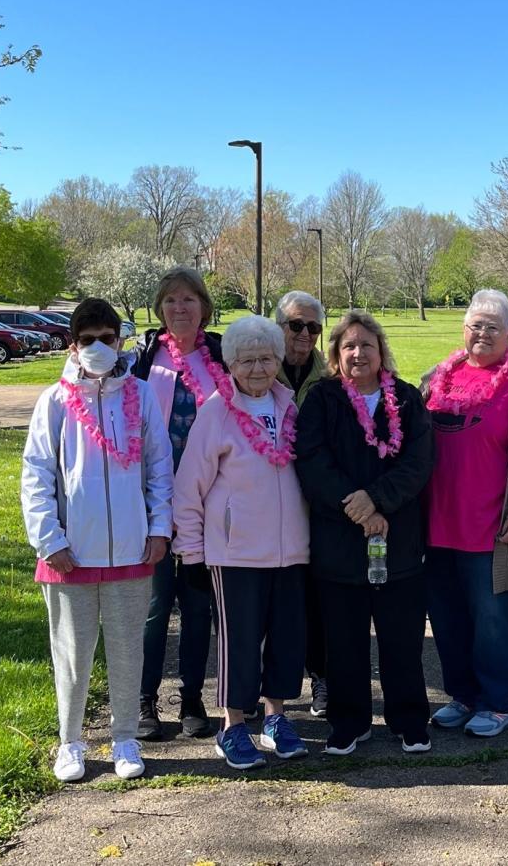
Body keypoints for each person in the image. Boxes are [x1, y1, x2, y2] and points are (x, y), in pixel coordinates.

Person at [21, 298, 174, 782]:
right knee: (71, 651)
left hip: (131, 549)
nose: (98, 347)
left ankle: (125, 737)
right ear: (73, 344)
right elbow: (37, 475)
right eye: (87, 340)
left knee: (129, 649)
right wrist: (50, 540)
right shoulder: (55, 401)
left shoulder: (142, 396)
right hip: (72, 554)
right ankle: (70, 742)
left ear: (120, 340)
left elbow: (159, 467)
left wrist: (158, 527)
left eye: (106, 338)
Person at [294, 310, 436, 755]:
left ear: (381, 353)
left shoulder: (408, 400)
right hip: (339, 543)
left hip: (398, 541)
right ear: (336, 354)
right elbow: (312, 462)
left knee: (402, 639)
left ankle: (409, 718)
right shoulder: (321, 399)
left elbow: (418, 463)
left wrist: (377, 501)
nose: (358, 353)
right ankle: (349, 721)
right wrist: (356, 508)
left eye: (367, 345)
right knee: (344, 641)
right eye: (349, 346)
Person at [172, 315, 310, 770]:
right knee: (240, 642)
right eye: (247, 360)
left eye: (267, 359)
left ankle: (276, 718)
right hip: (235, 552)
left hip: (291, 550)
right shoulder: (216, 411)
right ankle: (231, 726)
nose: (258, 369)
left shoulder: (288, 406)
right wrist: (191, 552)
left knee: (287, 640)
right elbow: (189, 487)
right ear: (231, 363)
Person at [422, 289, 508, 738]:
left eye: (492, 326)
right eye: (475, 325)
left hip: (493, 531)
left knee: (493, 621)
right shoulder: (436, 378)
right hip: (438, 526)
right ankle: (463, 696)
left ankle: (499, 703)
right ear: (464, 330)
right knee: (446, 619)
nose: (482, 333)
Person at [130, 267, 223, 741]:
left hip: (208, 500)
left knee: (199, 604)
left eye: (189, 300)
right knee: (153, 605)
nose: (179, 308)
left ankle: (192, 698)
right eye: (170, 301)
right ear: (160, 309)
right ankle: (144, 698)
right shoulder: (145, 360)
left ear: (204, 307)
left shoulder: (220, 357)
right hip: (154, 501)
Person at [274, 290, 330, 717]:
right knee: (264, 599)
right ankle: (258, 687)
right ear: (279, 327)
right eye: (296, 325)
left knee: (316, 598)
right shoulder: (255, 371)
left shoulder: (328, 381)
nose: (305, 334)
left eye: (313, 327)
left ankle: (321, 678)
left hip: (313, 506)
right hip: (264, 504)